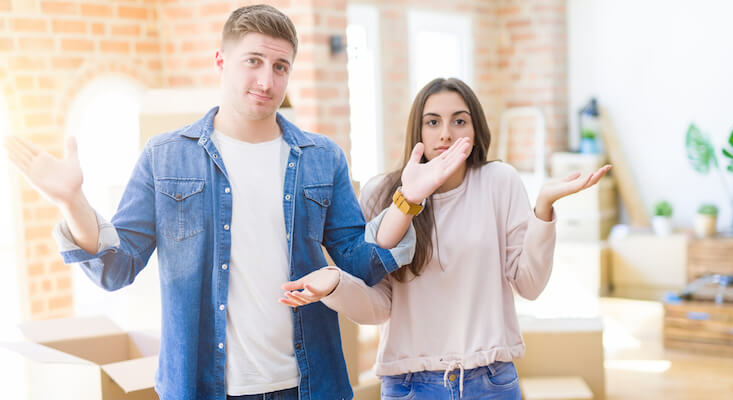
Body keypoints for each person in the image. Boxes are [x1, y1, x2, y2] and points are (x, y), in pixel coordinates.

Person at [3, 5, 469, 400]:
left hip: (309, 385)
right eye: (254, 61)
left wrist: (408, 200)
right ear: (221, 61)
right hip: (203, 387)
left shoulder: (322, 158)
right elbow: (117, 266)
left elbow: (361, 262)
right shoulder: (165, 157)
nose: (267, 80)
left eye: (281, 66)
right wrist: (72, 202)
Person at [280, 77, 611, 400]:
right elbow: (378, 306)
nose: (446, 134)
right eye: (433, 122)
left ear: (476, 130)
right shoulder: (381, 194)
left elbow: (530, 285)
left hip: (490, 381)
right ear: (418, 130)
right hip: (409, 384)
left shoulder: (499, 182)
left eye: (459, 121)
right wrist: (336, 284)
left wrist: (543, 208)